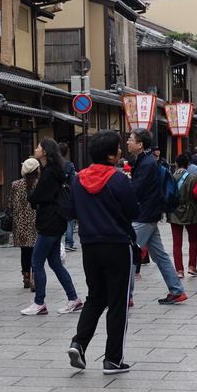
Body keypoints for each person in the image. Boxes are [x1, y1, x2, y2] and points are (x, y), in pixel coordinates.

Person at [67, 130, 140, 375]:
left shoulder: (78, 179)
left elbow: (72, 211)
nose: (120, 151)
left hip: (90, 245)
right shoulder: (119, 179)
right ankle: (113, 359)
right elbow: (133, 211)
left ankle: (79, 343)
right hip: (117, 245)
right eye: (118, 148)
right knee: (118, 303)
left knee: (95, 297)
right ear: (111, 155)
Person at [22, 138, 83, 316]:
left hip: (50, 221)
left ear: (45, 152)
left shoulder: (49, 172)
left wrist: (32, 194)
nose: (35, 149)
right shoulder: (56, 169)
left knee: (36, 261)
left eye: (38, 147)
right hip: (57, 220)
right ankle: (73, 299)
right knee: (55, 262)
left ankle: (39, 302)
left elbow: (36, 196)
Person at [127, 128, 187, 305]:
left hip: (144, 215)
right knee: (160, 255)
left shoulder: (146, 164)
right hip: (150, 214)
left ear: (140, 144)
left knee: (128, 254)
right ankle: (176, 290)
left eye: (131, 139)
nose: (128, 141)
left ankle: (126, 296)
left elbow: (136, 191)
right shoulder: (145, 161)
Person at [10, 157, 39, 291]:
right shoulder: (39, 184)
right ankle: (35, 277)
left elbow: (10, 204)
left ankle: (26, 276)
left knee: (25, 251)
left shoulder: (15, 185)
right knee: (36, 251)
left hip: (20, 223)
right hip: (36, 223)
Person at [167, 154, 197, 279]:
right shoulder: (193, 178)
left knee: (177, 243)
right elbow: (196, 195)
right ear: (188, 164)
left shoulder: (170, 177)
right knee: (193, 240)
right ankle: (192, 266)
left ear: (176, 163)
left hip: (174, 211)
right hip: (190, 211)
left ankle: (179, 270)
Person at [59, 142, 79, 252]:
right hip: (67, 194)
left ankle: (57, 242)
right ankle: (69, 242)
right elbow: (73, 181)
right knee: (69, 219)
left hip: (56, 194)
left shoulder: (53, 164)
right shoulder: (69, 164)